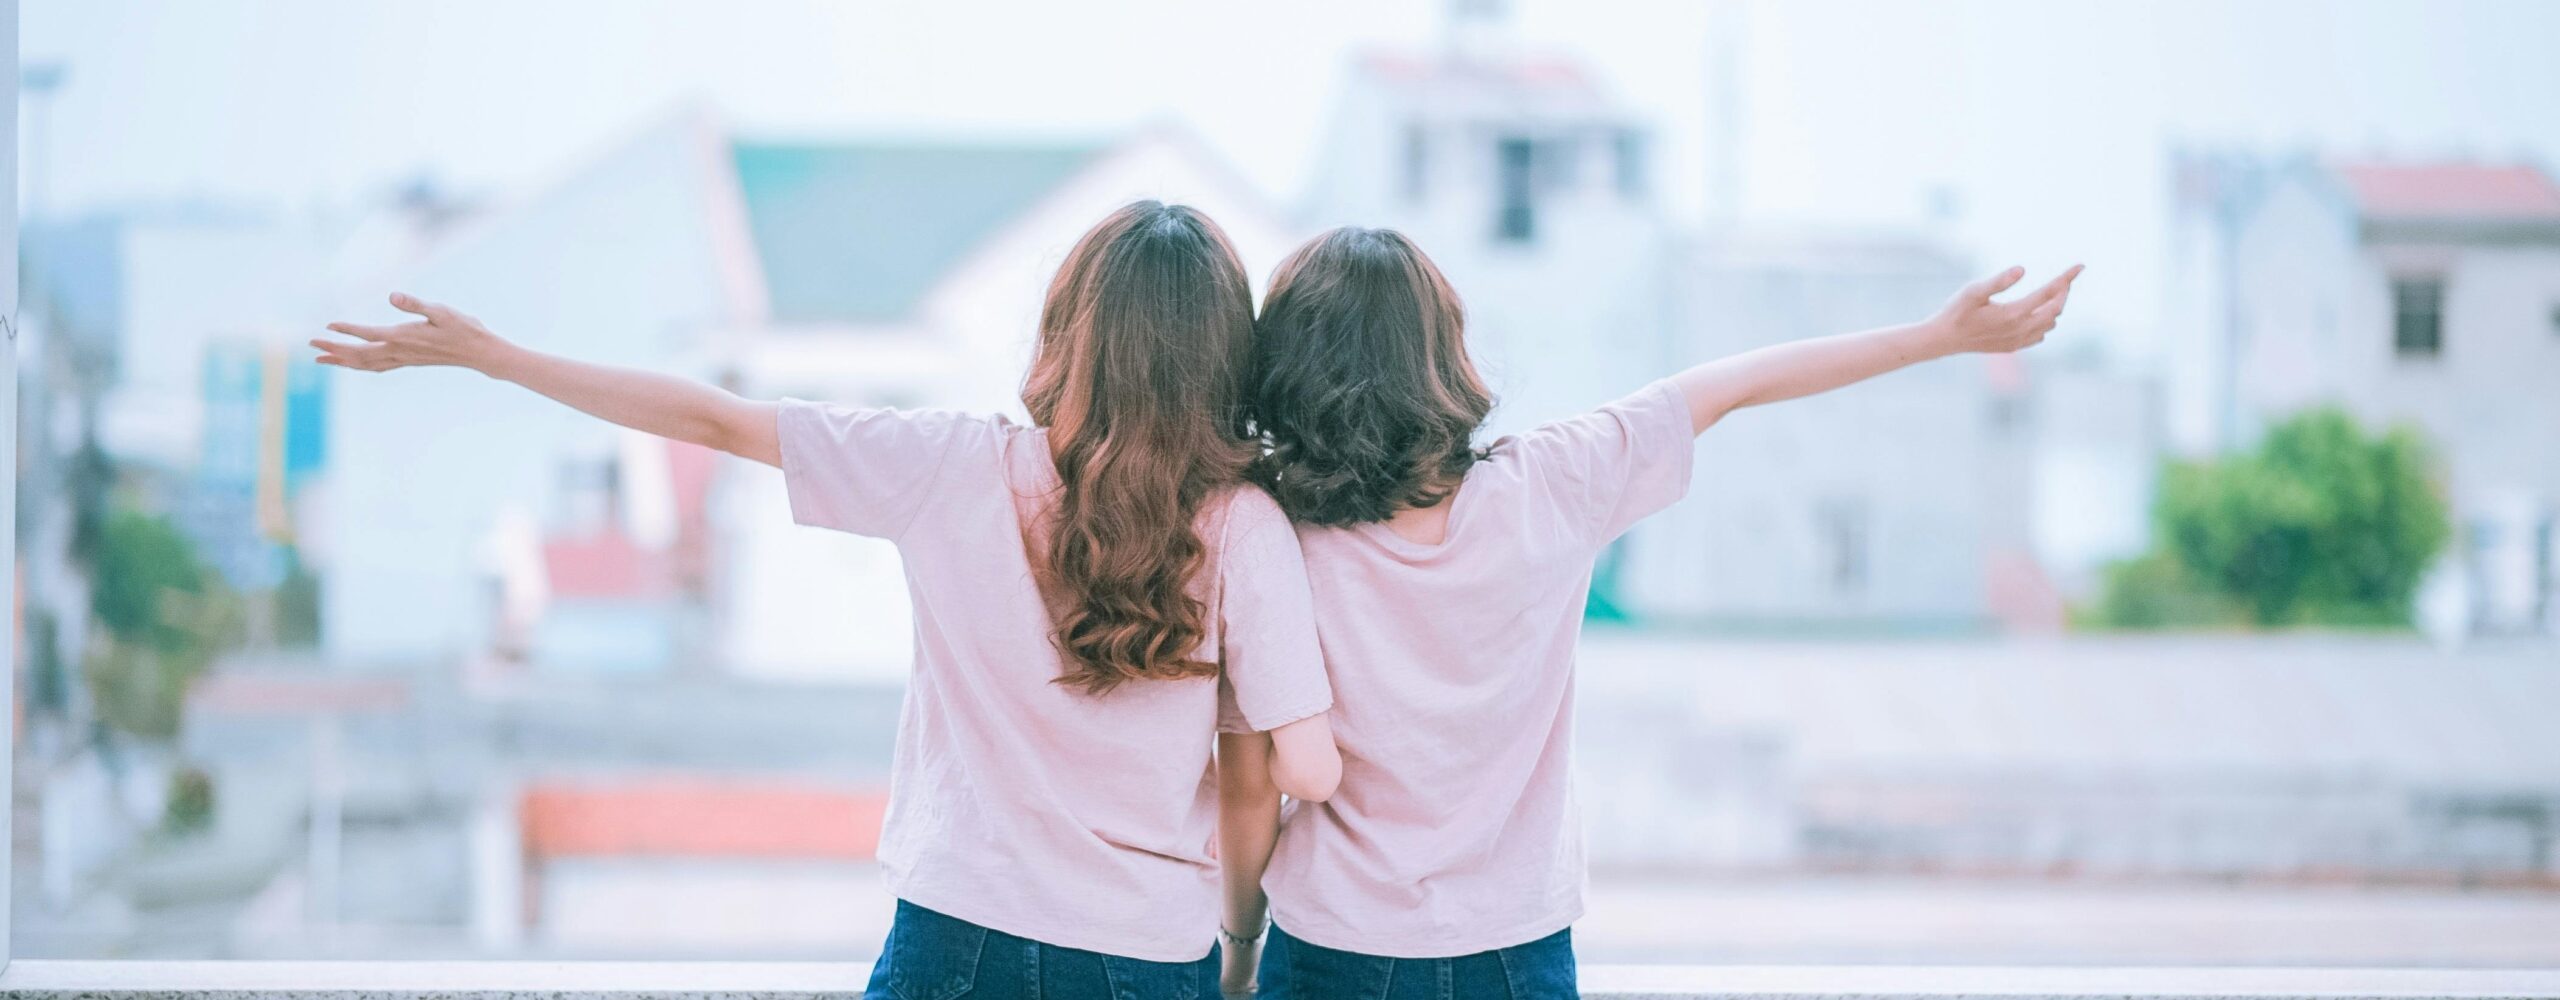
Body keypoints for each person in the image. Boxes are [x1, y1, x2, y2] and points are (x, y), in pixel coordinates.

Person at [315, 200, 1344, 1000]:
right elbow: (1264, 769)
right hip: (1147, 951)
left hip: (958, 928)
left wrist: (498, 357)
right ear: (1222, 356)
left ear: (1067, 331)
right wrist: (1240, 948)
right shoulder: (1245, 525)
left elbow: (715, 421)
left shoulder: (947, 466)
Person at [1225, 226, 2079, 999]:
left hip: (1331, 944)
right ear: (1444, 353)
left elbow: (1256, 773)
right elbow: (1736, 384)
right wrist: (1938, 337)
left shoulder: (1273, 527)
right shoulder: (1555, 482)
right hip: (1515, 952)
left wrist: (1238, 943)